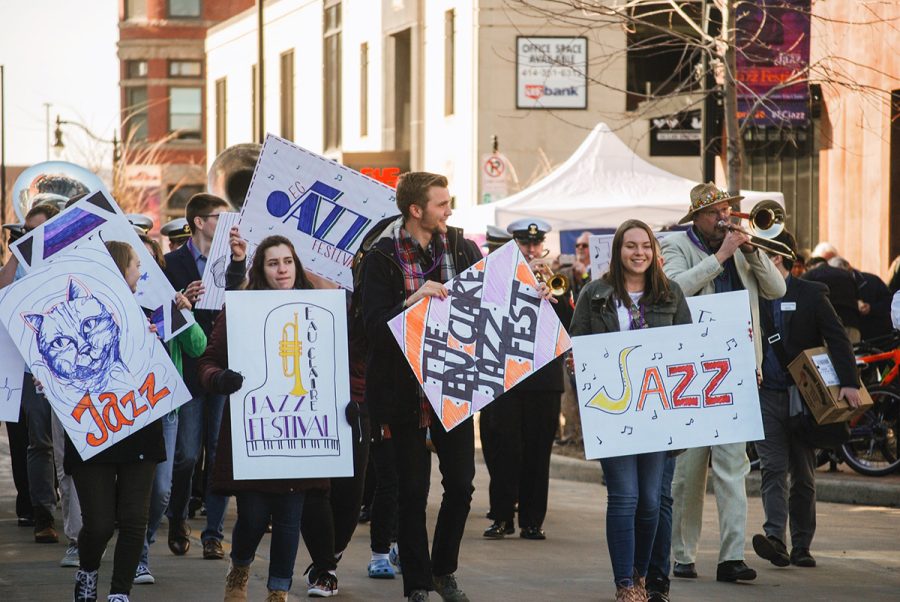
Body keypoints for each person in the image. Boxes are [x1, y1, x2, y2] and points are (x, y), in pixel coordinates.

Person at [358, 171, 482, 602]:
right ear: (416, 210)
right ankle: (417, 585)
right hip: (401, 394)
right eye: (442, 203)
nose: (450, 209)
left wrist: (534, 294)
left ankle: (442, 569)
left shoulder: (462, 248)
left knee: (462, 486)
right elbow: (371, 325)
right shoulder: (381, 257)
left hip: (454, 388)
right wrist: (410, 302)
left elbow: (490, 304)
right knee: (412, 493)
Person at [660, 182, 786, 583]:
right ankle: (683, 554)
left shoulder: (743, 248)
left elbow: (777, 289)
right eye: (716, 212)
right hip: (692, 372)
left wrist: (751, 251)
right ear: (697, 216)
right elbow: (675, 290)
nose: (724, 218)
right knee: (689, 471)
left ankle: (732, 556)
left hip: (737, 371)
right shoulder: (676, 245)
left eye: (727, 210)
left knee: (734, 467)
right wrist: (721, 256)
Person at [198, 234, 327, 602]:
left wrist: (340, 404)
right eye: (273, 263)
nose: (282, 269)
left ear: (296, 266)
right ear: (261, 269)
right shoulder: (241, 309)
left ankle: (278, 592)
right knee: (253, 516)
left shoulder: (318, 308)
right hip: (256, 432)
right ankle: (239, 569)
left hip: (301, 431)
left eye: (288, 261)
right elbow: (207, 361)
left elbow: (335, 366)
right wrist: (219, 379)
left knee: (289, 520)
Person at [570, 219, 691, 602]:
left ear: (654, 252)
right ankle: (625, 583)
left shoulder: (670, 294)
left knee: (652, 501)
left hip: (657, 414)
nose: (638, 253)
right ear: (617, 251)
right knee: (624, 497)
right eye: (630, 245)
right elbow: (577, 349)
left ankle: (640, 575)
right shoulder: (595, 294)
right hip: (614, 412)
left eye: (645, 246)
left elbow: (688, 350)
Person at [751, 229, 861, 569]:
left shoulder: (811, 294)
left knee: (803, 472)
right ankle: (775, 540)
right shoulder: (750, 293)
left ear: (777, 258)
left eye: (759, 255)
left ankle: (801, 545)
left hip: (805, 397)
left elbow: (838, 338)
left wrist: (849, 383)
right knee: (772, 467)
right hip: (767, 393)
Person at [70, 241, 167, 602]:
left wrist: (161, 339)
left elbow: (185, 355)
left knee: (133, 519)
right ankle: (88, 571)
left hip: (138, 428)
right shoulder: (77, 316)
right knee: (98, 523)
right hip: (94, 429)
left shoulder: (149, 314)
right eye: (136, 263)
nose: (141, 271)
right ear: (118, 268)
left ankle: (119, 593)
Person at [1, 203, 85, 568]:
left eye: (41, 230)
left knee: (72, 445)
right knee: (40, 439)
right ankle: (43, 514)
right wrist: (16, 253)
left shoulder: (72, 258)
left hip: (72, 368)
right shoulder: (18, 263)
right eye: (29, 231)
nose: (35, 237)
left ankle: (77, 519)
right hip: (30, 367)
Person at [482, 218, 573, 541]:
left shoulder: (560, 280)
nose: (532, 250)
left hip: (545, 380)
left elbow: (569, 326)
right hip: (506, 377)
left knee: (538, 452)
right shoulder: (497, 278)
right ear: (514, 246)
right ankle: (502, 517)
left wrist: (553, 297)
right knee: (504, 449)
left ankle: (532, 520)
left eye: (536, 244)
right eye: (525, 244)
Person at [134, 235, 207, 586]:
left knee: (161, 488)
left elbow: (198, 348)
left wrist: (185, 314)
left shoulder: (168, 306)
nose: (141, 271)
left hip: (165, 409)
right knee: (132, 487)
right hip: (126, 410)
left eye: (149, 263)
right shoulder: (113, 306)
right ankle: (137, 557)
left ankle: (140, 545)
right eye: (137, 264)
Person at [162, 192, 232, 560]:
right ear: (201, 222)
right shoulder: (171, 262)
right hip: (189, 369)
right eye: (221, 218)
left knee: (219, 452)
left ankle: (213, 534)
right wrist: (180, 300)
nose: (227, 224)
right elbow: (157, 313)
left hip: (221, 365)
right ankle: (177, 518)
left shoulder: (234, 261)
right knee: (187, 454)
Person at [803, 254, 861, 343]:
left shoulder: (810, 275)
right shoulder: (847, 274)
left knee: (828, 355)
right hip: (851, 322)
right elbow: (857, 297)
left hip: (826, 325)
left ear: (810, 266)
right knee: (853, 353)